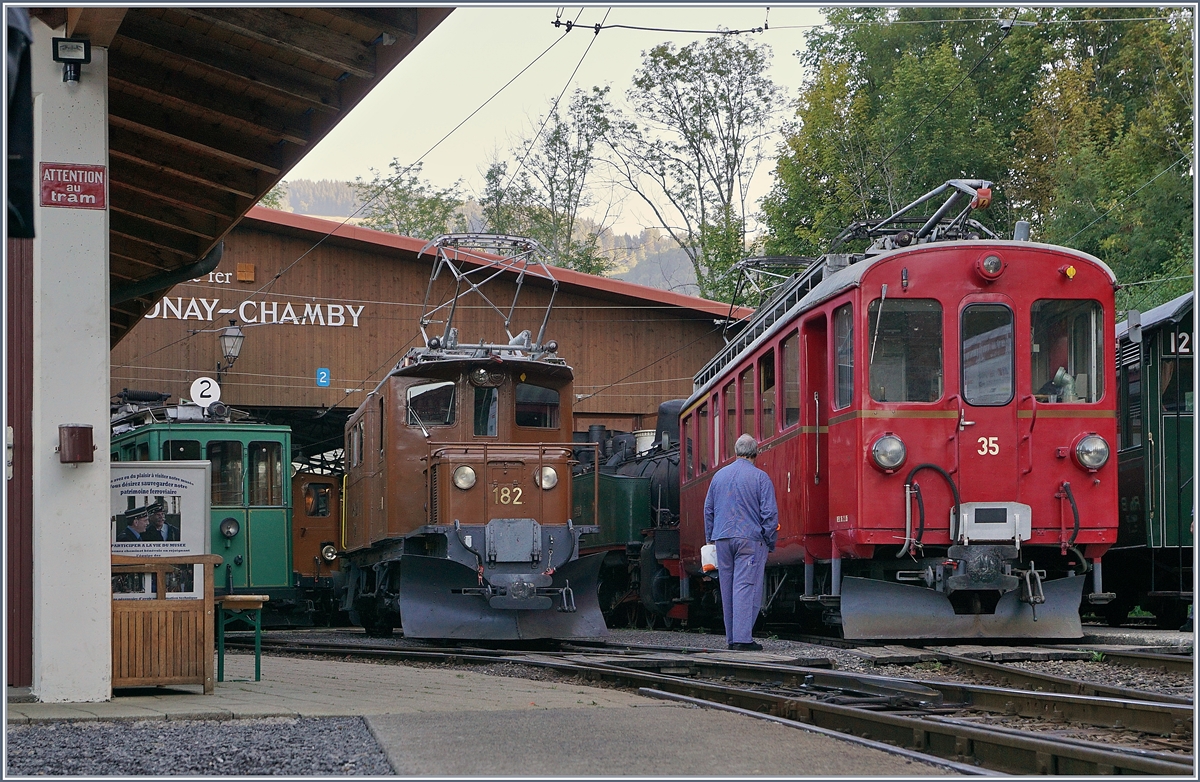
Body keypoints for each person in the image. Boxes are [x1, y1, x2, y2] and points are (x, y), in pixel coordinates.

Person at [704, 433, 779, 651]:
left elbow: (708, 510)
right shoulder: (760, 478)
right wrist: (769, 539)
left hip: (722, 539)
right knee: (745, 587)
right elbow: (769, 515)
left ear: (735, 452)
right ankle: (743, 639)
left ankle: (731, 638)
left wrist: (711, 538)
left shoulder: (718, 477)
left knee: (727, 587)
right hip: (750, 540)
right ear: (756, 453)